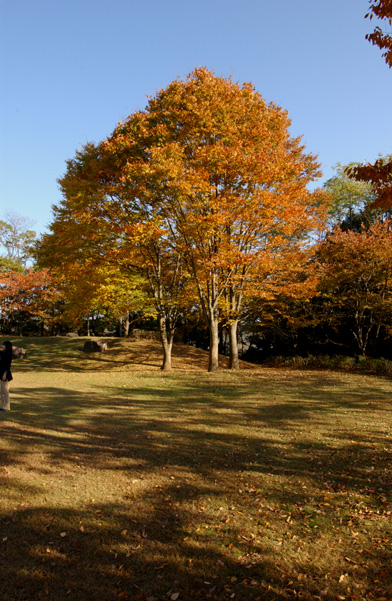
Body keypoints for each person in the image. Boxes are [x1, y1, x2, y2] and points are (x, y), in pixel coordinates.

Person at [0, 340, 13, 411]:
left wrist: (5, 374)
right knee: (2, 391)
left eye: (4, 345)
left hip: (5, 374)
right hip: (1, 373)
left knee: (5, 391)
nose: (2, 346)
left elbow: (8, 366)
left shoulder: (8, 355)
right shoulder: (3, 353)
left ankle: (6, 406)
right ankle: (2, 406)